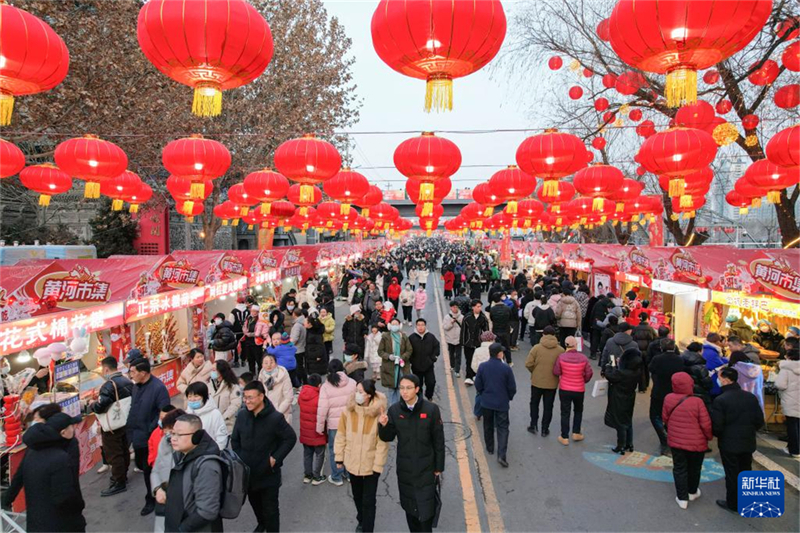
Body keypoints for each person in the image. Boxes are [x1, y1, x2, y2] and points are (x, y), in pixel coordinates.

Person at [378, 375, 445, 533]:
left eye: (408, 388)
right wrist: (384, 425)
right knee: (410, 511)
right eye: (402, 388)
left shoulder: (431, 410)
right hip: (406, 469)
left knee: (426, 512)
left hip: (426, 469)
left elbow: (439, 441)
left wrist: (438, 467)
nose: (404, 392)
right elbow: (387, 437)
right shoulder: (394, 410)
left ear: (417, 389)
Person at [1, 412, 86, 532]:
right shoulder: (60, 457)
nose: (74, 429)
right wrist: (79, 508)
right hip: (61, 524)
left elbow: (18, 478)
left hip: (36, 523)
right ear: (63, 432)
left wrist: (6, 499)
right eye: (71, 426)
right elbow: (65, 497)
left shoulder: (32, 451)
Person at [233, 381, 297, 533]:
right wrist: (240, 458)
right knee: (255, 504)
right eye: (245, 397)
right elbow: (235, 440)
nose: (246, 401)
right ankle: (261, 524)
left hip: (269, 474)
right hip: (248, 474)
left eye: (250, 397)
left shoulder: (275, 418)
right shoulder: (242, 416)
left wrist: (275, 458)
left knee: (271, 510)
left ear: (261, 396)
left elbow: (290, 438)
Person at [335, 380, 390, 533]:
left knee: (369, 500)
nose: (357, 395)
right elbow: (341, 435)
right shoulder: (348, 411)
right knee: (357, 496)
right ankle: (361, 519)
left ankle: (367, 528)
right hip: (353, 462)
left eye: (361, 392)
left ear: (369, 395)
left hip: (371, 464)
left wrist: (378, 465)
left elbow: (382, 443)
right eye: (356, 391)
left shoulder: (379, 414)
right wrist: (339, 457)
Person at [711, 367, 765, 512]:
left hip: (729, 443)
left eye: (719, 377)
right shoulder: (750, 397)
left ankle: (733, 503)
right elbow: (759, 420)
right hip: (748, 441)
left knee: (732, 473)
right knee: (746, 470)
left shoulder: (720, 400)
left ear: (725, 379)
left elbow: (717, 426)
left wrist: (720, 435)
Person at [158, 414, 223, 532]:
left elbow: (207, 511)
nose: (173, 438)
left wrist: (182, 529)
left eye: (179, 434)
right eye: (172, 433)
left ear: (196, 437)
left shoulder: (207, 466)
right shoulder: (182, 454)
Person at [663, 373, 712, 509]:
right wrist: (709, 436)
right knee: (695, 468)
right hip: (697, 442)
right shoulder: (697, 401)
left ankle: (682, 498)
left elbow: (665, 417)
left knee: (679, 468)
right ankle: (692, 491)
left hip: (676, 441)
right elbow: (706, 424)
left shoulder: (668, 398)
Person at [128, 357, 170, 516]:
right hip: (137, 435)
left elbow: (164, 412)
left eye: (133, 372)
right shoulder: (135, 387)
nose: (130, 375)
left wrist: (150, 430)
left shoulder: (158, 388)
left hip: (150, 437)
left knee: (150, 469)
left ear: (143, 373)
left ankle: (152, 497)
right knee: (142, 465)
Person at [89, 355, 134, 497]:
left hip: (112, 426)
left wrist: (92, 404)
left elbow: (101, 406)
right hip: (125, 421)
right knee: (123, 450)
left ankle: (118, 481)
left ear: (106, 368)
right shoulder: (127, 380)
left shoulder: (109, 385)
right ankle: (123, 476)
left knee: (114, 454)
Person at [475, 342, 517, 467]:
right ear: (500, 354)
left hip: (487, 402)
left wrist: (483, 394)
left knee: (488, 425)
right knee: (503, 428)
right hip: (502, 403)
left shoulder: (483, 366)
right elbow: (512, 387)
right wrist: (508, 397)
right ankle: (502, 455)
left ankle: (490, 447)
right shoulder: (506, 368)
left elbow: (478, 384)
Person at [317, 359, 358, 486]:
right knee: (350, 448)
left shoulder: (326, 386)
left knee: (335, 450)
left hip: (334, 425)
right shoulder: (352, 383)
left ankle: (337, 476)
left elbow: (322, 408)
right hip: (351, 422)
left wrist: (319, 427)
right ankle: (350, 474)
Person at [646, 339, 685, 456]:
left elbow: (650, 368)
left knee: (655, 415)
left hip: (659, 391)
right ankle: (669, 435)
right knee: (671, 416)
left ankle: (664, 439)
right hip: (674, 392)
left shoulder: (657, 359)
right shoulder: (680, 359)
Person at [553, 336, 593, 446]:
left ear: (565, 345)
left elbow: (556, 372)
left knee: (565, 412)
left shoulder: (561, 357)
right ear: (576, 345)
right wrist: (583, 380)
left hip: (565, 389)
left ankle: (564, 436)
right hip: (579, 389)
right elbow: (589, 373)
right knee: (578, 411)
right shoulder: (583, 358)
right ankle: (576, 432)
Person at [525, 326, 564, 436]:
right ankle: (544, 429)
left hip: (537, 381)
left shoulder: (536, 348)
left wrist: (534, 371)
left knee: (534, 403)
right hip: (552, 383)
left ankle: (533, 425)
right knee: (548, 406)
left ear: (543, 334)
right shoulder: (560, 350)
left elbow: (528, 364)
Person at [150, 409, 185, 533]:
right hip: (165, 501)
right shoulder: (164, 443)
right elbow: (155, 470)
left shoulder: (191, 451)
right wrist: (157, 489)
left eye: (171, 432)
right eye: (166, 433)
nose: (169, 437)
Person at [603, 348, 642, 455]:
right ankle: (630, 444)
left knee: (620, 423)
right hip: (630, 398)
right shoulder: (636, 372)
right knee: (628, 421)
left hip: (618, 399)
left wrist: (609, 366)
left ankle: (621, 446)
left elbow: (609, 375)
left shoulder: (621, 373)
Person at [298, 373, 328, 485]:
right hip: (317, 431)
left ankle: (307, 475)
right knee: (320, 454)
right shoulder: (320, 397)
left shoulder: (302, 394)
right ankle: (317, 476)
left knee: (307, 453)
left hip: (305, 431)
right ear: (319, 385)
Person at [185, 381, 230, 450]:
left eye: (196, 396)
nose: (192, 399)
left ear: (204, 397)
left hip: (210, 454)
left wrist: (215, 452)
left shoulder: (214, 414)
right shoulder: (187, 414)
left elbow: (221, 437)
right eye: (189, 396)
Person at [379, 318, 414, 404]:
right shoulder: (385, 337)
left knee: (401, 387)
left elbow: (409, 350)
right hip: (389, 366)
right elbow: (380, 351)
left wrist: (402, 357)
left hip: (402, 366)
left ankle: (401, 406)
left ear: (400, 326)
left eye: (396, 324)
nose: (395, 326)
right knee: (391, 388)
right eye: (393, 324)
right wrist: (389, 356)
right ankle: (392, 408)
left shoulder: (404, 337)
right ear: (390, 326)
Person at [775, 347, 800, 458]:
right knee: (798, 424)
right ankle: (793, 447)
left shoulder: (786, 369)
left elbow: (781, 384)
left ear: (788, 356)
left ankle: (794, 450)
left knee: (791, 425)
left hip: (790, 399)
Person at [408, 319, 441, 401]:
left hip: (428, 365)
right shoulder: (411, 338)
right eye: (418, 325)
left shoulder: (431, 337)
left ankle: (429, 396)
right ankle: (419, 399)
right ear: (416, 326)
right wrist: (411, 360)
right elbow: (407, 350)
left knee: (431, 382)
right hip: (416, 366)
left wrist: (433, 358)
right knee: (418, 384)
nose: (420, 327)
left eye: (422, 325)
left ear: (425, 326)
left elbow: (436, 347)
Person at [258, 353, 294, 424]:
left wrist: (276, 413)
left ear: (276, 363)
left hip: (281, 415)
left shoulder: (283, 375)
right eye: (266, 363)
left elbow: (289, 398)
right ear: (262, 364)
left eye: (271, 362)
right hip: (265, 416)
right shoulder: (261, 375)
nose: (269, 365)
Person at [461, 300, 490, 386]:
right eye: (477, 306)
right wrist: (463, 342)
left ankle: (476, 375)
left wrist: (486, 342)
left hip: (478, 343)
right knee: (469, 359)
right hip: (468, 343)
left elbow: (486, 331)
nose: (479, 308)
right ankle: (469, 376)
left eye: (480, 306)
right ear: (473, 307)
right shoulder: (467, 317)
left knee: (478, 360)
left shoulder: (483, 318)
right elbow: (463, 331)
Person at [210, 359, 243, 433]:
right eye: (211, 370)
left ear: (221, 371)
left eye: (214, 370)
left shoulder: (233, 386)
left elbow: (235, 404)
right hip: (212, 423)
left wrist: (224, 417)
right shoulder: (209, 384)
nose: (212, 372)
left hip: (227, 423)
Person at [703, 333, 729, 397]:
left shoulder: (707, 349)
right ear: (717, 342)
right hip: (713, 380)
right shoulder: (712, 352)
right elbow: (719, 365)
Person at [305, 313, 330, 379]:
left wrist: (318, 356)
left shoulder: (315, 333)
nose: (304, 323)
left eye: (305, 322)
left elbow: (320, 346)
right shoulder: (310, 331)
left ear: (310, 324)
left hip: (316, 359)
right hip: (312, 358)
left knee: (316, 378)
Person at [442, 302, 464, 378]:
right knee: (451, 353)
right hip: (450, 338)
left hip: (458, 339)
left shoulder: (461, 317)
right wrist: (451, 323)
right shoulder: (447, 317)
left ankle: (457, 370)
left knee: (458, 355)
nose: (455, 308)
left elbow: (464, 328)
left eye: (456, 307)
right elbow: (445, 327)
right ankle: (452, 365)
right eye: (453, 307)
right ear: (451, 308)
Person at [242, 304, 263, 375]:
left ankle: (260, 373)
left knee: (258, 359)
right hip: (248, 341)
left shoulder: (260, 319)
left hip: (256, 342)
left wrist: (250, 334)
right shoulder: (248, 318)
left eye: (256, 311)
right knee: (250, 359)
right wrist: (245, 331)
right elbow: (245, 326)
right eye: (253, 311)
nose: (254, 313)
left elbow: (260, 332)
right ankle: (252, 372)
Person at [289, 310, 307, 386]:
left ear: (294, 314)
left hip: (297, 349)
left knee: (298, 367)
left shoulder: (297, 325)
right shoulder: (303, 322)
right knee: (301, 366)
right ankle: (305, 381)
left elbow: (295, 338)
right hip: (302, 347)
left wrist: (290, 345)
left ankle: (300, 382)